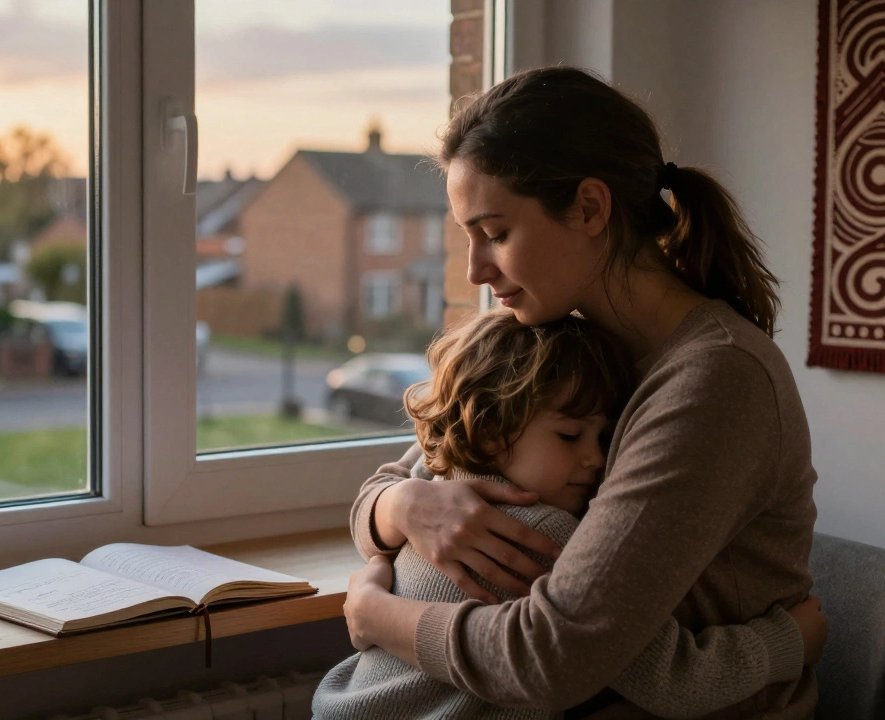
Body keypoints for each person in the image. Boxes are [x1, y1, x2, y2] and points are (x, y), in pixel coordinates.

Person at [341, 66, 821, 719]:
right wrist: (404, 506)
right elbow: (399, 478)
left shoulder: (716, 381)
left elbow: (552, 658)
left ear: (590, 208)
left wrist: (375, 614)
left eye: (496, 233)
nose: (477, 271)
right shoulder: (567, 344)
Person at [313, 309, 825, 720]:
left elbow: (387, 485)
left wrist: (377, 581)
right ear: (491, 431)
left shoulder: (433, 478)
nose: (596, 459)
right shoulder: (551, 537)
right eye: (569, 435)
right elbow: (671, 681)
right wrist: (784, 643)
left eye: (602, 438)